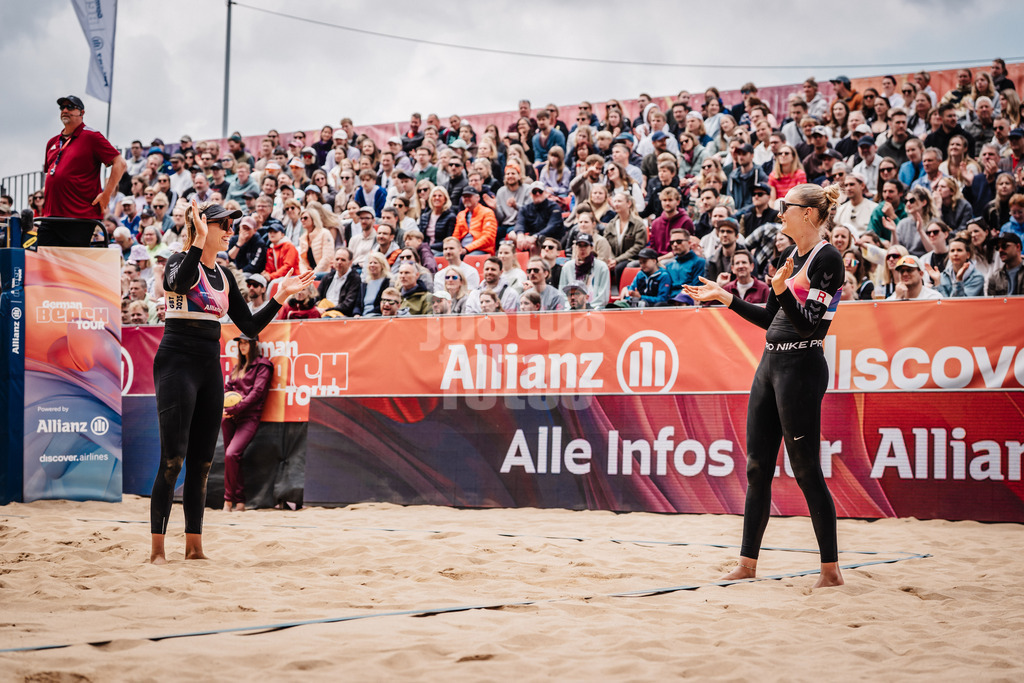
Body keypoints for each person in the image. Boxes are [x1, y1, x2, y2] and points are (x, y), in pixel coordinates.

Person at [683, 182, 846, 588]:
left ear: (808, 213)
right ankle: (747, 563)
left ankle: (831, 571)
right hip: (771, 364)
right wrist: (726, 299)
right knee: (757, 467)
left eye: (786, 207)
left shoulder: (828, 258)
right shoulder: (790, 255)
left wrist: (780, 290)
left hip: (803, 365)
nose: (780, 212)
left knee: (806, 469)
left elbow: (808, 321)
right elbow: (770, 318)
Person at [150, 200, 313, 564]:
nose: (229, 232)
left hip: (208, 365)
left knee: (203, 463)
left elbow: (250, 328)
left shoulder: (224, 275)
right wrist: (197, 240)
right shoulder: (179, 259)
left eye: (230, 226)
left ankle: (194, 547)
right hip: (176, 361)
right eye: (223, 225)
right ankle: (157, 551)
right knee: (172, 460)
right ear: (204, 226)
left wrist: (280, 297)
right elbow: (177, 281)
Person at [40, 95, 127, 246]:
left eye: (70, 107)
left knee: (71, 266)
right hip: (51, 216)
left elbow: (120, 163)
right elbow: (52, 175)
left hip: (78, 216)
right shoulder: (52, 142)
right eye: (62, 107)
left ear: (82, 112)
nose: (65, 110)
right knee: (43, 263)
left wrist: (107, 193)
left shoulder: (91, 136)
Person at [221, 334, 274, 512]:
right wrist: (225, 407)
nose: (242, 346)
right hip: (230, 417)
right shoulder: (238, 367)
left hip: (249, 416)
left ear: (254, 344)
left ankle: (228, 501)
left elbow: (257, 392)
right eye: (240, 343)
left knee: (231, 454)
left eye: (245, 343)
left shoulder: (263, 365)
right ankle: (240, 502)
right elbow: (227, 388)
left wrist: (236, 408)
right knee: (233, 458)